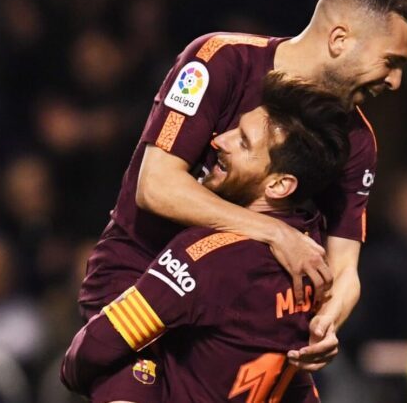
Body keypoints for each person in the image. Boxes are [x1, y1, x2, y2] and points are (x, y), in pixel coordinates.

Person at [77, 0, 407, 378]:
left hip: (240, 328)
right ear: (339, 39)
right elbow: (155, 186)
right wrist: (274, 232)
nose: (396, 81)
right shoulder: (219, 61)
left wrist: (327, 323)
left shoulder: (356, 141)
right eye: (391, 61)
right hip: (139, 284)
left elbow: (345, 270)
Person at [63, 74, 350, 401]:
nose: (219, 140)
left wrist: (71, 370)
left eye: (243, 142)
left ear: (279, 185)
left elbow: (96, 346)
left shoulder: (207, 256)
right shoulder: (311, 247)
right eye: (235, 129)